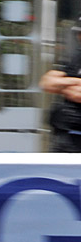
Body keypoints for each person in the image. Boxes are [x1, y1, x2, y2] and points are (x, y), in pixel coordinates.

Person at [40, 15, 81, 152]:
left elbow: (78, 94)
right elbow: (47, 82)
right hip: (63, 138)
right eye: (78, 33)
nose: (79, 37)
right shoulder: (75, 58)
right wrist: (75, 83)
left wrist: (62, 85)